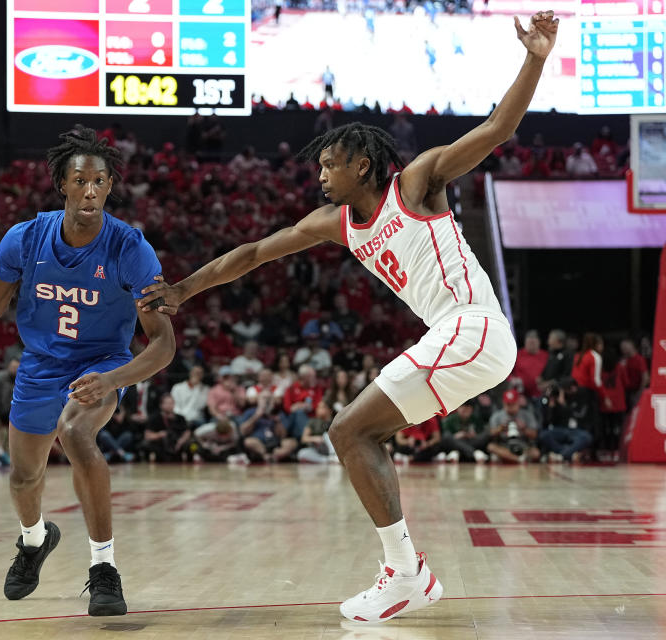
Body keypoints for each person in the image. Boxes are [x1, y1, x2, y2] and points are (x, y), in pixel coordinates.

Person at [138, 11, 559, 623]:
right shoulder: (335, 223)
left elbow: (498, 128)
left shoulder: (414, 184)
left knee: (348, 430)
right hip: (460, 338)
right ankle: (407, 573)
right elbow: (255, 253)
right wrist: (184, 288)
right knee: (356, 433)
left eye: (328, 165)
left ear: (361, 164)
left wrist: (537, 57)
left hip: (474, 327)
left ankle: (406, 575)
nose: (319, 174)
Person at [0, 126, 174, 616]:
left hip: (102, 363)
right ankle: (34, 541)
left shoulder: (131, 249)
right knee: (24, 477)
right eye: (80, 180)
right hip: (42, 364)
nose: (90, 190)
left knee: (77, 434)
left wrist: (114, 379)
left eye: (100, 181)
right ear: (62, 184)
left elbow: (164, 346)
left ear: (110, 186)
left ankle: (103, 567)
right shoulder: (25, 238)